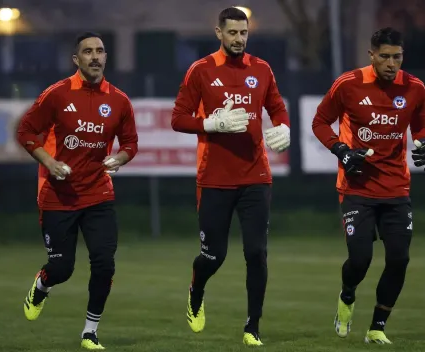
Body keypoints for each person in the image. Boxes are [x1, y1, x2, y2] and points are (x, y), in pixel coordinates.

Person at [171, 7, 290, 346]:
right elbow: (178, 118)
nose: (239, 39)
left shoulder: (261, 69)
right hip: (214, 178)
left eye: (244, 33)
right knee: (213, 256)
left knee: (256, 253)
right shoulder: (201, 70)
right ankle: (196, 290)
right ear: (219, 33)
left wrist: (284, 127)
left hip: (256, 176)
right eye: (233, 33)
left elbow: (277, 108)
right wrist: (209, 123)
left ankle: (253, 327)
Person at [17, 32, 138, 350]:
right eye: (88, 52)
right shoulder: (56, 95)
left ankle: (90, 331)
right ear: (76, 59)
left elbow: (130, 144)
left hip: (98, 193)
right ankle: (43, 283)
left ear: (106, 57)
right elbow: (26, 130)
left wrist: (120, 158)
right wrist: (49, 161)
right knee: (62, 268)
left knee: (104, 264)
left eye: (100, 51)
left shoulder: (119, 100)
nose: (95, 56)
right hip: (58, 195)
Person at [312, 27, 425, 344]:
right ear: (371, 55)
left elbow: (420, 122)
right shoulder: (348, 85)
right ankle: (347, 295)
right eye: (385, 57)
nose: (392, 64)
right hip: (357, 187)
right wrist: (341, 151)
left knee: (400, 259)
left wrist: (422, 141)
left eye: (397, 57)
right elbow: (320, 122)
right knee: (360, 260)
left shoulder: (415, 88)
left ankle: (377, 327)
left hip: (396, 189)